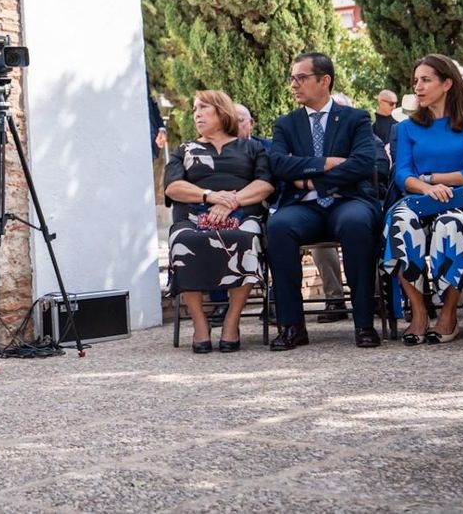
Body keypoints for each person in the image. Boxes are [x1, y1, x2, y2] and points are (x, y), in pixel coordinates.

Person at [264, 53, 383, 350]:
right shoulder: (286, 124)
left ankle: (364, 325)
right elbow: (278, 164)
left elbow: (363, 163)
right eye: (292, 78)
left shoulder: (356, 118)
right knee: (279, 225)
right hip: (305, 206)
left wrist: (308, 176)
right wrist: (327, 162)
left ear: (324, 80)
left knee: (356, 223)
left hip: (349, 200)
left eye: (301, 78)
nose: (294, 84)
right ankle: (292, 327)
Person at [382, 54, 463, 345]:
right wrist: (427, 188)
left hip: (462, 202)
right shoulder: (407, 127)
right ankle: (419, 312)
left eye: (426, 80)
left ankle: (448, 313)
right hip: (421, 200)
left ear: (447, 83)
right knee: (401, 222)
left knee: (448, 225)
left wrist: (433, 179)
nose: (418, 86)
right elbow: (403, 172)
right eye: (415, 80)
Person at [163, 90, 272, 353]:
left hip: (243, 215)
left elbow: (265, 185)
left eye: (203, 108)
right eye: (194, 110)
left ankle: (231, 322)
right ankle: (200, 324)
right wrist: (210, 196)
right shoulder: (185, 150)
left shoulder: (251, 147)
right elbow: (173, 187)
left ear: (222, 112)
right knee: (182, 241)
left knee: (247, 238)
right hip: (193, 218)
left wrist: (230, 202)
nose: (196, 114)